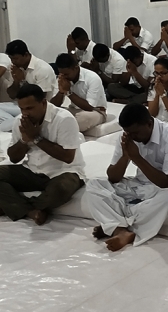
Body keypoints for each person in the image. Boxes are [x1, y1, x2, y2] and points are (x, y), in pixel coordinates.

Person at [83, 103, 168, 251]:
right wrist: (125, 156)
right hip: (140, 184)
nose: (132, 137)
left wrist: (136, 157)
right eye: (128, 132)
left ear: (149, 124)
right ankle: (119, 229)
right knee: (94, 185)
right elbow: (113, 178)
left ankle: (115, 224)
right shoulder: (128, 136)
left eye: (135, 133)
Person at [0, 84, 85, 225]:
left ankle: (13, 206)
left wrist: (36, 138)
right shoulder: (20, 121)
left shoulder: (64, 119)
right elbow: (14, 158)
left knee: (60, 190)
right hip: (32, 170)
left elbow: (68, 157)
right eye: (22, 109)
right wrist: (24, 140)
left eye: (30, 108)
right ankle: (31, 211)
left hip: (63, 172)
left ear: (44, 103)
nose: (25, 113)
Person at [0, 40, 57, 132]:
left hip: (39, 108)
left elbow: (40, 98)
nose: (13, 62)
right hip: (21, 106)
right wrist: (16, 81)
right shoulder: (16, 68)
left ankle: (15, 124)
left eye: (16, 58)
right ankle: (16, 123)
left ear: (26, 55)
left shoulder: (42, 69)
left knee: (3, 127)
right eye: (11, 59)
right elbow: (12, 95)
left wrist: (22, 80)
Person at [51, 54, 107, 132]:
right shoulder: (62, 77)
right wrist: (61, 92)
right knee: (52, 112)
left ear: (76, 68)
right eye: (61, 74)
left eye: (66, 74)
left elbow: (90, 107)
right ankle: (64, 130)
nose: (64, 77)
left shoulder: (93, 78)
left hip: (95, 112)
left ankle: (64, 132)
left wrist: (68, 92)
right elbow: (54, 105)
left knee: (83, 118)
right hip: (74, 110)